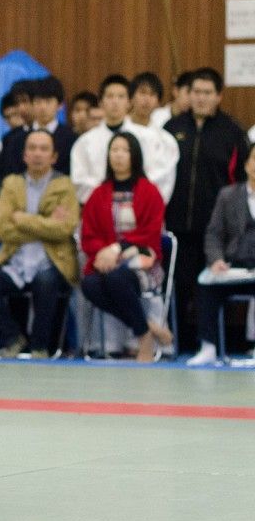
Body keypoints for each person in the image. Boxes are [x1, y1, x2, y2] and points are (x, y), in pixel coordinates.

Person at [0, 130, 79, 358]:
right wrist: (45, 224)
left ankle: (40, 347)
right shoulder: (11, 184)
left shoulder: (65, 185)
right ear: (24, 155)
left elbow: (65, 229)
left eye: (44, 149)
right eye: (32, 148)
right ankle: (13, 338)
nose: (37, 153)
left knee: (45, 280)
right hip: (16, 262)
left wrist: (22, 219)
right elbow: (1, 228)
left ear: (54, 156)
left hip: (52, 260)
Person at [164, 67, 250, 342]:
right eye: (196, 92)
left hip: (217, 229)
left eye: (207, 92)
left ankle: (213, 343)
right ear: (188, 94)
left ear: (219, 96)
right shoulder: (171, 129)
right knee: (177, 286)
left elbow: (242, 182)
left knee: (212, 288)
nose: (201, 98)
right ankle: (175, 342)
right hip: (177, 225)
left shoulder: (232, 132)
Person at [79, 132, 172, 362]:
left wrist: (116, 249)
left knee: (116, 279)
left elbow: (151, 233)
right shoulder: (99, 193)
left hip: (143, 261)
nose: (118, 155)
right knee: (89, 284)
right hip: (106, 262)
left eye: (125, 150)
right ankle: (148, 327)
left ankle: (144, 339)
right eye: (114, 150)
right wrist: (103, 252)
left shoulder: (149, 191)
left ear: (135, 156)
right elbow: (88, 234)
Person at [187, 144, 255, 366]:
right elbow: (213, 233)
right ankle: (208, 346)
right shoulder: (228, 195)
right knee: (207, 283)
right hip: (235, 266)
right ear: (247, 165)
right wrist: (216, 260)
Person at [69, 74, 178, 205]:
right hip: (98, 208)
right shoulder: (85, 142)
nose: (115, 102)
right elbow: (79, 182)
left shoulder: (148, 138)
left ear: (129, 102)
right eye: (110, 96)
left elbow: (154, 178)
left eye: (121, 96)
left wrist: (128, 198)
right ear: (101, 102)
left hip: (137, 207)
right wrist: (107, 197)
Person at [0, 76, 76, 179]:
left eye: (48, 101)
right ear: (32, 104)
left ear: (60, 105)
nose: (43, 107)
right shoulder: (15, 139)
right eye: (38, 101)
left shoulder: (72, 139)